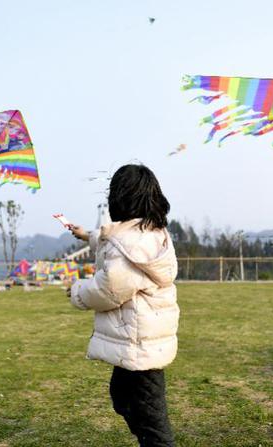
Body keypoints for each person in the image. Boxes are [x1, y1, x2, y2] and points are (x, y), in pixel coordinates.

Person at [69, 164, 179, 447]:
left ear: (119, 197)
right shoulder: (151, 232)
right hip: (141, 340)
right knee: (123, 398)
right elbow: (115, 240)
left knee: (153, 424)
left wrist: (77, 290)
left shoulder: (130, 244)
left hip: (139, 343)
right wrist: (86, 235)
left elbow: (108, 290)